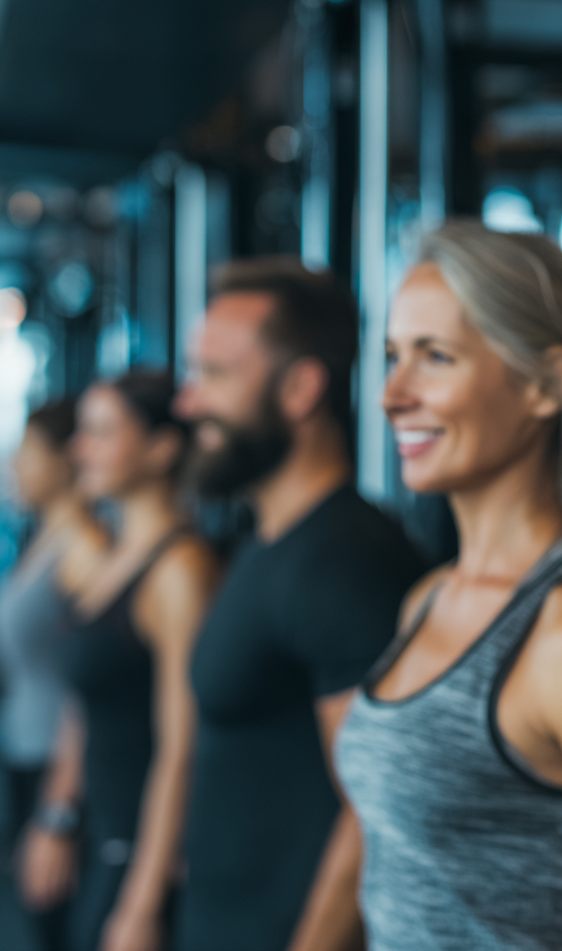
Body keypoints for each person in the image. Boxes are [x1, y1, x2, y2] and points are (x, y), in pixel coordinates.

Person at [334, 222, 562, 950]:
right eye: (393, 357)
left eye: (436, 358)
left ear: (548, 383)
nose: (392, 395)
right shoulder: (429, 598)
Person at [172, 258, 423, 951]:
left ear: (301, 387)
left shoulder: (343, 561)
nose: (187, 403)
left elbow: (372, 807)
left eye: (214, 375)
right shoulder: (270, 540)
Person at [20, 372, 219, 951]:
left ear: (161, 449)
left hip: (138, 848)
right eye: (82, 433)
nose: (81, 449)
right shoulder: (110, 557)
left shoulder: (179, 569)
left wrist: (142, 901)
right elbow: (83, 706)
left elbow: (181, 748)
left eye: (103, 433)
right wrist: (58, 815)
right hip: (96, 834)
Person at [0, 400, 105, 950]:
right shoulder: (40, 541)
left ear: (67, 459)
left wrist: (58, 812)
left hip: (58, 772)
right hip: (23, 760)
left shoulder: (84, 551)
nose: (16, 466)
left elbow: (91, 685)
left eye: (30, 453)